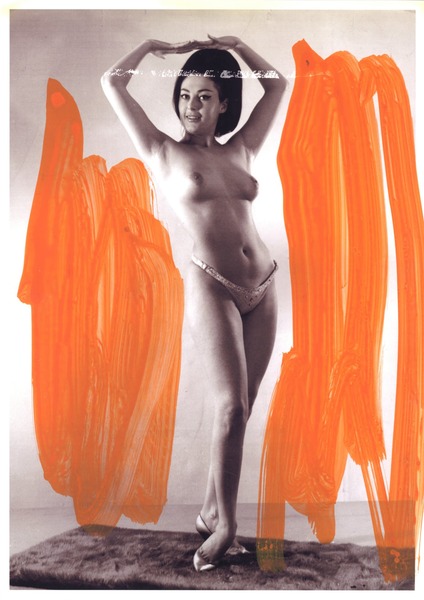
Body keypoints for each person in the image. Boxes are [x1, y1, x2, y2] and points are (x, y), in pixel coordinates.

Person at [101, 34, 287, 572]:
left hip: (263, 285)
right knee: (230, 406)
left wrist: (240, 45)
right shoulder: (163, 151)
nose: (191, 105)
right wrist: (147, 46)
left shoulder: (241, 148)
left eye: (204, 96)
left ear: (224, 103)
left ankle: (210, 513)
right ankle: (226, 527)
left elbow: (278, 84)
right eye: (185, 95)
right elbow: (112, 82)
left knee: (243, 406)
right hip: (212, 283)